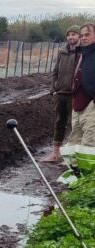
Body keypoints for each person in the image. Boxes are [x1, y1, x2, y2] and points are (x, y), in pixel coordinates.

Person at [41, 26, 79, 162]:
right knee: (59, 122)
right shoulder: (62, 52)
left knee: (74, 124)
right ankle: (55, 154)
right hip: (60, 93)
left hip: (74, 94)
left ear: (79, 37)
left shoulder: (81, 52)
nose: (71, 37)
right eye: (69, 35)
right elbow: (55, 71)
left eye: (74, 34)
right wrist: (53, 87)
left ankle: (72, 156)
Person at [61, 22, 95, 168]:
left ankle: (87, 177)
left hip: (91, 103)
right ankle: (73, 170)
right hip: (78, 102)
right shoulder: (81, 53)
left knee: (89, 141)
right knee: (74, 139)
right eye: (82, 35)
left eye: (88, 34)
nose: (84, 38)